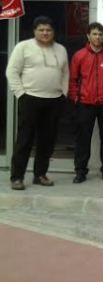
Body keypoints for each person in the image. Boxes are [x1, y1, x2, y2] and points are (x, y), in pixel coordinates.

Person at [5, 16, 69, 190]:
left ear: (53, 31)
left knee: (47, 141)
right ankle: (17, 177)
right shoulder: (23, 47)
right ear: (35, 31)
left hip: (54, 100)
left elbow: (65, 74)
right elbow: (12, 72)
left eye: (48, 30)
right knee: (25, 140)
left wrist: (63, 93)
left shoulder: (61, 49)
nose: (45, 33)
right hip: (30, 99)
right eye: (41, 30)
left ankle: (40, 175)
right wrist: (21, 94)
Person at [68, 22, 103, 183]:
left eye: (100, 34)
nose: (98, 37)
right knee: (83, 139)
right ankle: (80, 171)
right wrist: (75, 97)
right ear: (88, 36)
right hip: (85, 103)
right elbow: (73, 80)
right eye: (95, 34)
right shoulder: (79, 55)